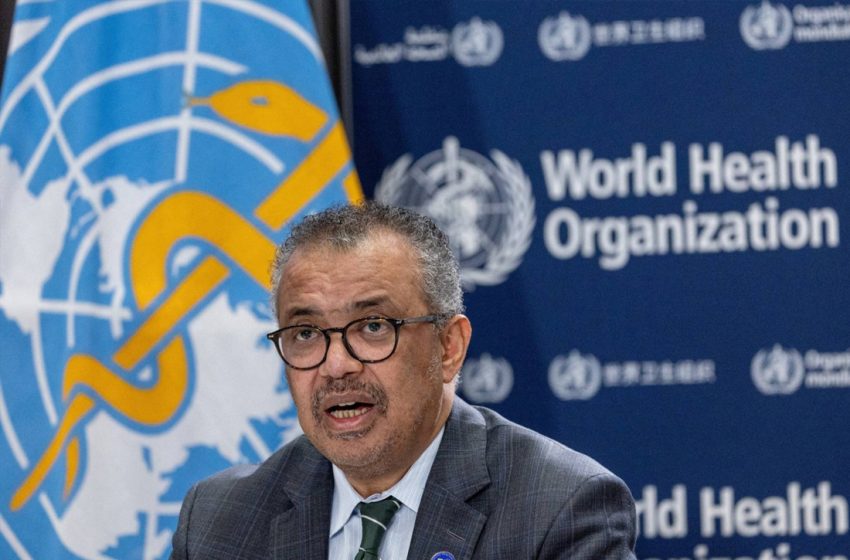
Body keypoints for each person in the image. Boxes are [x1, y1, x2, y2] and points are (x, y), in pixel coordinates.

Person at [170, 202, 637, 559]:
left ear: (448, 347)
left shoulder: (559, 511)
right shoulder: (219, 521)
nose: (336, 365)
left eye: (373, 326)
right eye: (306, 333)